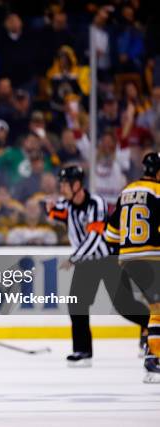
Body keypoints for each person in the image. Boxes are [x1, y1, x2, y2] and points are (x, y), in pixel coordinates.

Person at [46, 166, 149, 367]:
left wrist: (74, 258)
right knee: (76, 305)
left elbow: (95, 237)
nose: (62, 188)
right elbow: (54, 212)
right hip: (86, 263)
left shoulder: (97, 203)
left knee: (124, 306)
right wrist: (49, 208)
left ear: (77, 185)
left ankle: (150, 325)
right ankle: (82, 350)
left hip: (108, 260)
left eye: (65, 184)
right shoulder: (66, 204)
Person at [105, 152, 160, 383]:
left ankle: (152, 353)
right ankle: (153, 358)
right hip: (151, 256)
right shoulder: (158, 191)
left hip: (128, 259)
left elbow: (111, 234)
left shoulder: (127, 191)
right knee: (158, 308)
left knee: (156, 307)